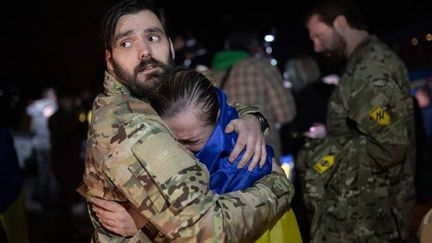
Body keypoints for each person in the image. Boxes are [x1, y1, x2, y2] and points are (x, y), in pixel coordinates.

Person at [78, 0, 294, 241]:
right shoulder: (131, 124)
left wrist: (251, 119)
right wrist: (277, 186)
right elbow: (206, 232)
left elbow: (218, 105)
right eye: (127, 43)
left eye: (153, 37)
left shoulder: (161, 90)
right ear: (110, 60)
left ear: (170, 46)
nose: (145, 51)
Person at [91, 68, 302, 243]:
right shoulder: (215, 125)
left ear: (218, 118)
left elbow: (205, 229)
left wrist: (141, 224)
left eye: (191, 141)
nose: (180, 151)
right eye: (173, 141)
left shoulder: (235, 161)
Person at [296, 0, 416, 242]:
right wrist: (331, 134)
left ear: (340, 23)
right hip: (368, 212)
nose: (317, 47)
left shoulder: (370, 67)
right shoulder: (362, 62)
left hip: (371, 216)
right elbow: (366, 129)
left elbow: (390, 146)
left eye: (319, 36)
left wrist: (324, 154)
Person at [211, 31, 297, 158]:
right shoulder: (261, 67)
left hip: (226, 155)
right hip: (264, 153)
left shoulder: (210, 74)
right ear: (253, 47)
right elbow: (286, 114)